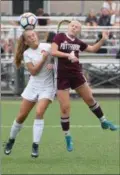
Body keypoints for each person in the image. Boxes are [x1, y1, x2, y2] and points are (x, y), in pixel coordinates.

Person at [51, 20, 118, 152]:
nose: (74, 27)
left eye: (77, 27)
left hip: (76, 75)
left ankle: (104, 121)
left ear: (79, 31)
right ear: (68, 27)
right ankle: (68, 137)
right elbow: (53, 52)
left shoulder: (77, 42)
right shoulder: (59, 37)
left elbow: (93, 49)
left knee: (90, 99)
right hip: (62, 76)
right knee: (65, 108)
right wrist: (67, 55)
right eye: (73, 25)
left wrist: (103, 39)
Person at [4, 30, 56, 158]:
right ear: (26, 41)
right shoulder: (27, 54)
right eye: (29, 37)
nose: (32, 37)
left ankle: (35, 145)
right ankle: (11, 140)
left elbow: (58, 61)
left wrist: (52, 64)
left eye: (33, 35)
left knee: (39, 112)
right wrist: (44, 59)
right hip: (33, 86)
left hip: (47, 87)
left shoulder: (48, 47)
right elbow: (33, 71)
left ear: (36, 36)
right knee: (21, 116)